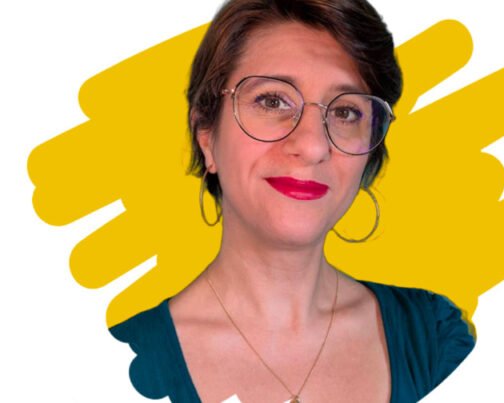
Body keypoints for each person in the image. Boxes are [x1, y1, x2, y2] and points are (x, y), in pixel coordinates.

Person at [110, 0, 475, 402]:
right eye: (272, 101)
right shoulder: (114, 364)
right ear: (206, 136)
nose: (314, 145)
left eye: (346, 112)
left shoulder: (436, 341)